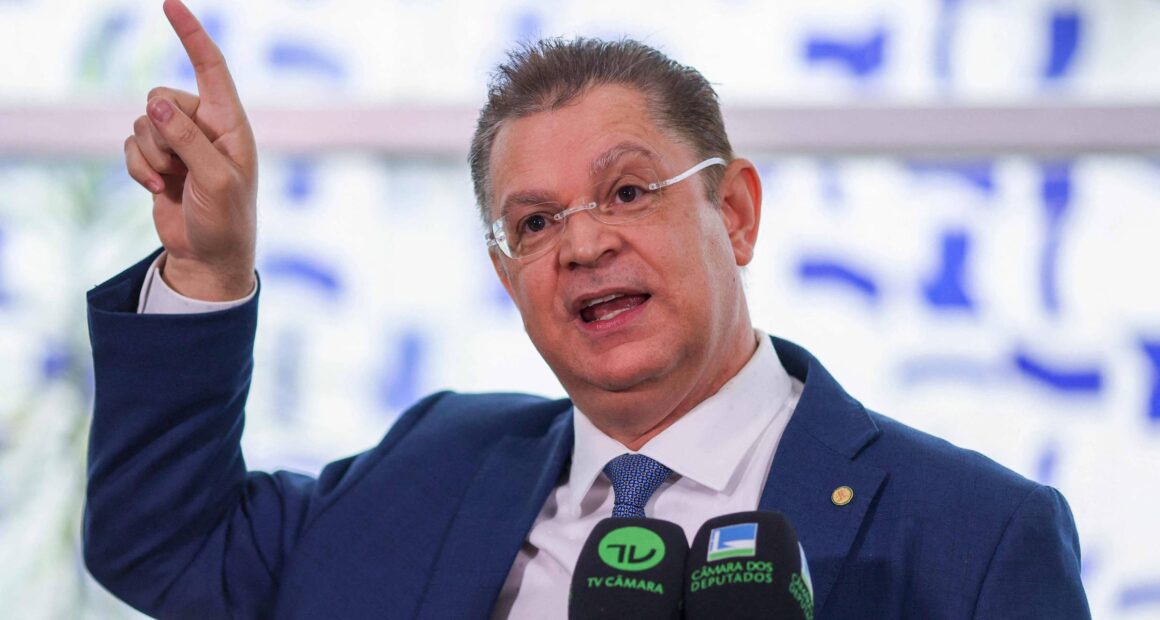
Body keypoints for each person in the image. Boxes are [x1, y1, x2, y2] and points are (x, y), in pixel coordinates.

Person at [84, 0, 1091, 618]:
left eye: (626, 191)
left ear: (735, 212)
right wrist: (208, 267)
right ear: (506, 275)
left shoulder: (974, 535)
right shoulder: (434, 463)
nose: (582, 244)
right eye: (533, 222)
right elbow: (166, 544)